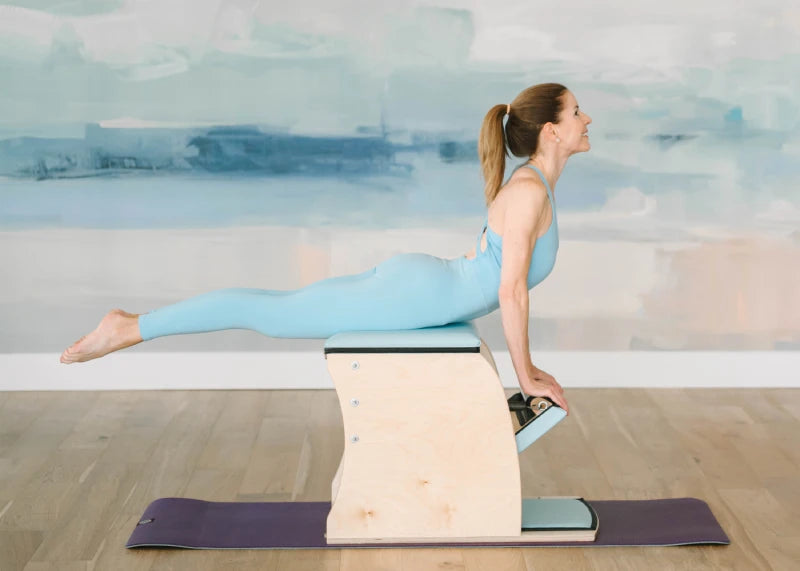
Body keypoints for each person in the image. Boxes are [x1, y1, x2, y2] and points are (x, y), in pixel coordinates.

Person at [60, 83, 592, 413]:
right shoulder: (528, 191)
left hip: (420, 288)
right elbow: (511, 291)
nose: (585, 119)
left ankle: (133, 324)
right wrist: (525, 374)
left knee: (275, 308)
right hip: (415, 296)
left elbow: (506, 285)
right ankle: (130, 327)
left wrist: (525, 370)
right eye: (576, 112)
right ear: (551, 131)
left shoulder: (535, 187)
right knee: (271, 313)